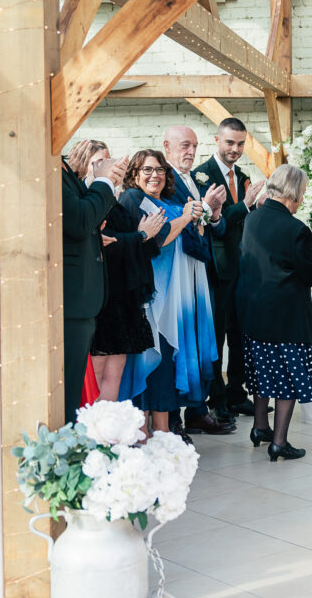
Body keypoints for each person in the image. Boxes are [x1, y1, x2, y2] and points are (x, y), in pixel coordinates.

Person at [116, 149, 217, 437]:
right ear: (135, 174)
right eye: (147, 170)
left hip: (176, 294)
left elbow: (189, 243)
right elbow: (156, 240)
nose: (154, 175)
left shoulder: (166, 201)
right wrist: (185, 218)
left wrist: (196, 222)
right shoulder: (132, 199)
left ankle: (163, 430)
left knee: (167, 361)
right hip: (151, 298)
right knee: (151, 360)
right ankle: (143, 430)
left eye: (159, 170)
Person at [236, 165, 312, 461]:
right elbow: (310, 273)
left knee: (262, 373)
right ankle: (279, 442)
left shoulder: (253, 219)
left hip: (254, 312)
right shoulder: (297, 229)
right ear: (295, 192)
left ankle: (260, 428)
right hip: (285, 316)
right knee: (287, 379)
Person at [162, 125, 235, 436]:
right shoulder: (164, 180)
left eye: (193, 146)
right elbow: (173, 223)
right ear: (167, 146)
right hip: (178, 272)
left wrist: (214, 213)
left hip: (200, 270)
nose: (189, 152)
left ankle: (196, 409)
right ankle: (176, 416)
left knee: (202, 341)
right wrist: (203, 208)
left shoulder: (193, 179)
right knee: (182, 342)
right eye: (183, 145)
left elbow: (215, 230)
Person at [192, 117, 265, 419]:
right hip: (216, 271)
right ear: (217, 141)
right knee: (217, 336)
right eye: (230, 143)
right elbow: (208, 225)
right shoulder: (200, 176)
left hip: (244, 269)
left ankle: (238, 392)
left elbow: (244, 224)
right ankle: (217, 398)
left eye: (240, 144)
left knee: (240, 335)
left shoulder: (244, 176)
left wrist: (257, 210)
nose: (235, 149)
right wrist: (245, 205)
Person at [88, 142, 168, 402]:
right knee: (98, 370)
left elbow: (125, 242)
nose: (111, 166)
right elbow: (106, 242)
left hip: (124, 297)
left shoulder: (116, 200)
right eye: (100, 161)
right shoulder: (90, 201)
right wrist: (142, 235)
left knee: (116, 369)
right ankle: (90, 435)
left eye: (111, 160)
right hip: (103, 295)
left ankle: (109, 437)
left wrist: (143, 238)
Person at [61, 142, 126, 421]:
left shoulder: (64, 174)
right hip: (71, 296)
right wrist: (103, 181)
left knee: (75, 386)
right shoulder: (50, 173)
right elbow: (78, 219)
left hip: (82, 297)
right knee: (70, 386)